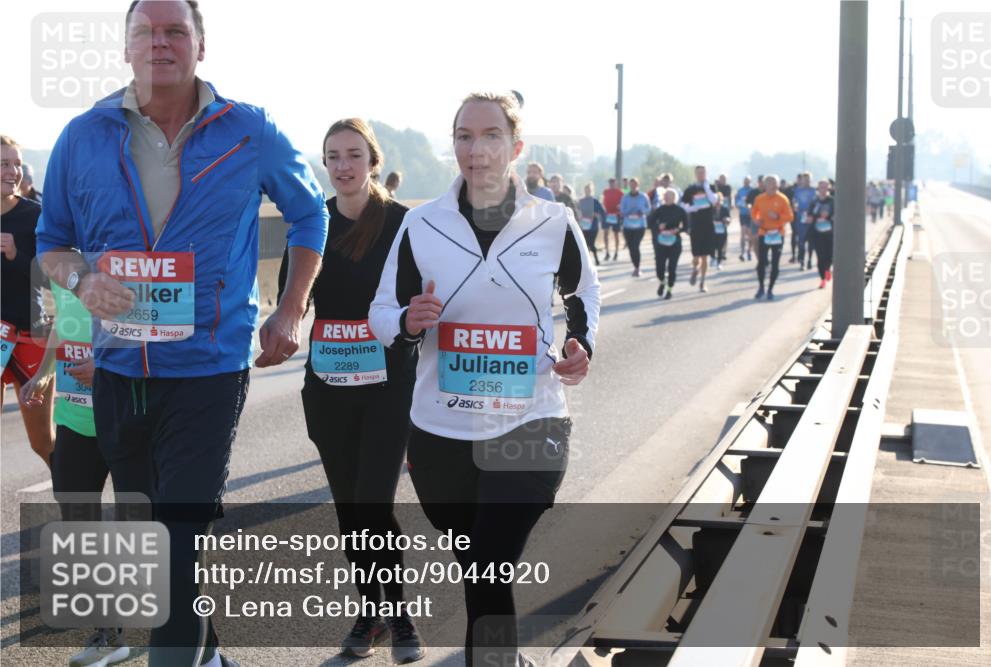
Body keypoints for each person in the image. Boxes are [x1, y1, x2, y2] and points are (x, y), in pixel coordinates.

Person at [34, 2, 330, 665]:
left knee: (176, 539)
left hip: (207, 370)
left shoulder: (248, 129)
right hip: (117, 371)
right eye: (145, 31)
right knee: (160, 543)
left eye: (174, 30)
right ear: (125, 47)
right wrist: (81, 281)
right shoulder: (83, 135)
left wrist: (290, 309)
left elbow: (311, 213)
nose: (159, 42)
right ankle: (209, 651)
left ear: (201, 44)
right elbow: (52, 241)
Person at [369, 91, 600, 667]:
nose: (476, 149)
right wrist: (407, 319)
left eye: (491, 135)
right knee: (479, 568)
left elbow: (582, 295)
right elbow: (380, 313)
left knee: (491, 560)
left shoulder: (553, 221)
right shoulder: (421, 224)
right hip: (440, 430)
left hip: (531, 419)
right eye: (464, 136)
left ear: (515, 147)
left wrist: (581, 345)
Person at [275, 119, 425, 663]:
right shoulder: (311, 224)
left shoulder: (405, 225)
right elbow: (291, 299)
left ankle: (400, 617)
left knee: (373, 505)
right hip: (329, 390)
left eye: (353, 155)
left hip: (389, 389)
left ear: (373, 161)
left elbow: (424, 305)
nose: (343, 166)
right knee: (348, 511)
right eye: (333, 156)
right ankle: (370, 614)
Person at [20, 280, 128, 667]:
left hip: (124, 416)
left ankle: (186, 625)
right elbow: (63, 324)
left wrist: (104, 365)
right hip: (72, 418)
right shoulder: (59, 262)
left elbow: (152, 329)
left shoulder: (115, 251)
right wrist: (45, 374)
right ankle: (109, 634)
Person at [1, 134, 54, 466]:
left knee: (41, 442)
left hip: (30, 336)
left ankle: (77, 501)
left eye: (17, 164)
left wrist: (16, 255)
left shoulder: (35, 215)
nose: (13, 171)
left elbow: (56, 278)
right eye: (4, 164)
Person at [751, 175, 794, 300]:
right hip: (764, 233)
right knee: (762, 262)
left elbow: (790, 217)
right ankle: (761, 288)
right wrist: (756, 220)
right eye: (770, 183)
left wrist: (778, 217)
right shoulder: (759, 198)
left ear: (778, 184)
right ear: (765, 185)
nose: (773, 185)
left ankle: (770, 289)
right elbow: (754, 212)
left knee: (775, 263)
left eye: (775, 183)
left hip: (777, 234)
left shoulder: (783, 199)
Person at [680, 165, 719, 292]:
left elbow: (714, 201)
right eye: (698, 173)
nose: (701, 175)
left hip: (708, 224)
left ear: (706, 173)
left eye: (703, 172)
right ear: (695, 174)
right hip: (696, 224)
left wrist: (706, 187)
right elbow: (681, 203)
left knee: (705, 256)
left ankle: (703, 282)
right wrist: (690, 208)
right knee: (696, 255)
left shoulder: (711, 187)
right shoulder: (691, 189)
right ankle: (695, 269)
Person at [648, 188, 687, 300]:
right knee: (659, 268)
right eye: (666, 196)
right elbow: (650, 223)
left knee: (672, 268)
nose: (667, 198)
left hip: (675, 242)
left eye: (669, 196)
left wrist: (678, 230)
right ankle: (662, 281)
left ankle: (669, 289)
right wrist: (658, 227)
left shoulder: (680, 210)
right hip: (661, 242)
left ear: (674, 198)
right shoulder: (660, 210)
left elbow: (686, 226)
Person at [619, 177, 651, 277]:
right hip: (628, 225)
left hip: (640, 225)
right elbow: (622, 210)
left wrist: (642, 211)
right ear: (629, 186)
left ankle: (637, 268)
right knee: (631, 247)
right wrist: (628, 213)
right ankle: (635, 266)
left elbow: (648, 209)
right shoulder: (625, 197)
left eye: (634, 184)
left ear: (638, 185)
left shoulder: (643, 196)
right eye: (631, 184)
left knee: (635, 245)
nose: (632, 186)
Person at [807, 179, 835, 288]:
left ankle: (828, 269)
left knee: (830, 256)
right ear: (818, 189)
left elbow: (836, 215)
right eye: (821, 187)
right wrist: (816, 217)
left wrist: (828, 217)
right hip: (817, 233)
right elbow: (809, 216)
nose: (823, 189)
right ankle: (822, 279)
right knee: (820, 256)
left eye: (825, 187)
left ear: (828, 188)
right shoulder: (814, 202)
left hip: (830, 233)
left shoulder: (832, 201)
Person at [792, 172, 817, 270]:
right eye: (804, 179)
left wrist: (812, 213)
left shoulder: (814, 190)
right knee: (801, 241)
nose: (806, 181)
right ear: (801, 180)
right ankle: (802, 262)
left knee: (811, 241)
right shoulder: (797, 190)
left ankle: (809, 260)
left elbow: (816, 202)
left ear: (811, 180)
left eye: (808, 179)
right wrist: (795, 206)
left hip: (811, 218)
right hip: (800, 218)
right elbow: (794, 201)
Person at [577, 182, 605, 266]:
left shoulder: (595, 201)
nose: (587, 192)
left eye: (589, 190)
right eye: (586, 190)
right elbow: (577, 211)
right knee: (585, 244)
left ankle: (595, 260)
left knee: (591, 243)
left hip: (593, 226)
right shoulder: (581, 201)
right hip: (583, 225)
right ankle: (587, 261)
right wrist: (579, 216)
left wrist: (596, 214)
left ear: (591, 191)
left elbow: (602, 212)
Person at [712, 174, 732, 269]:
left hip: (722, 230)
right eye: (716, 200)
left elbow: (729, 219)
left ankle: (719, 262)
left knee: (720, 247)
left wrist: (727, 220)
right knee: (713, 246)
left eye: (719, 200)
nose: (717, 202)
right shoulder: (711, 209)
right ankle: (713, 258)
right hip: (713, 231)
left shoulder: (724, 209)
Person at [601, 177, 623, 261]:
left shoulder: (620, 192)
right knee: (606, 233)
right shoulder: (606, 191)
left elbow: (623, 202)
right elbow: (603, 201)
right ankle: (607, 252)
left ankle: (616, 252)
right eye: (610, 183)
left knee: (616, 234)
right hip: (607, 215)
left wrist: (620, 207)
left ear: (616, 183)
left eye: (613, 183)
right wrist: (603, 209)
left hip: (616, 215)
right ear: (609, 183)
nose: (612, 184)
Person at [735, 175, 755, 261]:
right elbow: (737, 202)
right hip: (743, 214)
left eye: (748, 181)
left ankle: (749, 251)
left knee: (750, 234)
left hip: (751, 215)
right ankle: (742, 252)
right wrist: (741, 204)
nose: (746, 182)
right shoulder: (740, 191)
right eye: (745, 180)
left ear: (750, 181)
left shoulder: (753, 191)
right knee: (743, 232)